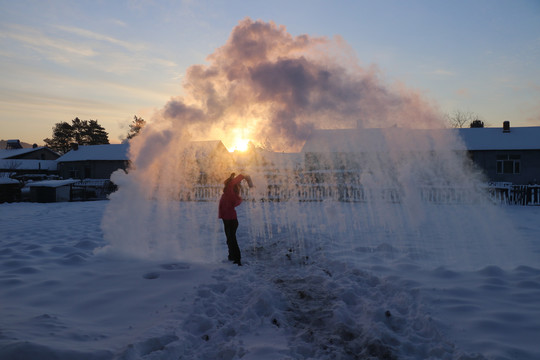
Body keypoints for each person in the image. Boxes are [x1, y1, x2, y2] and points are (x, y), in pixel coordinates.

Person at [218, 173, 252, 266]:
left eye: (227, 183)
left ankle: (237, 259)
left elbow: (233, 182)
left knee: (232, 240)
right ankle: (232, 257)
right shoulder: (231, 193)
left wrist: (243, 176)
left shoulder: (229, 191)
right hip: (229, 219)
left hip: (230, 220)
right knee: (230, 239)